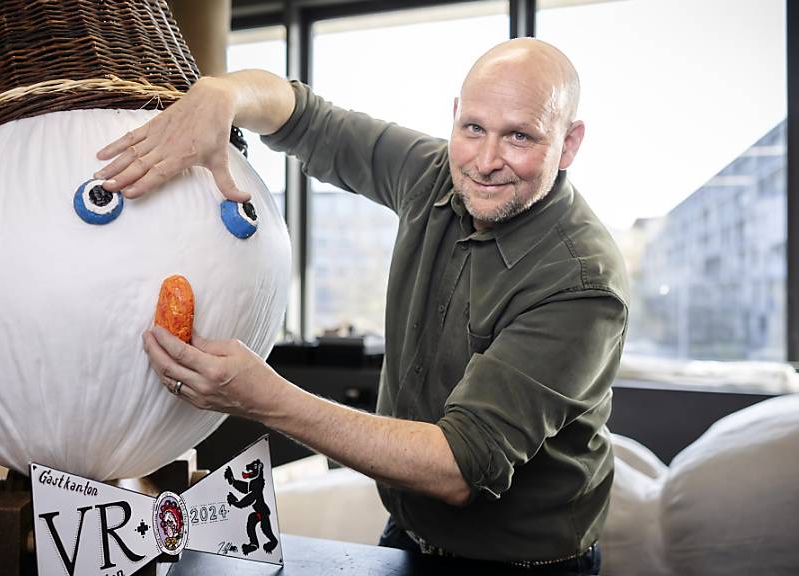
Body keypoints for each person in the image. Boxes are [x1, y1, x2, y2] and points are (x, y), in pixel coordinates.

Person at [95, 38, 627, 575]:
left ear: (569, 142)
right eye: (473, 128)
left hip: (525, 563)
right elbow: (309, 121)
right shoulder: (437, 173)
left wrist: (264, 398)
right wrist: (223, 94)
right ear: (455, 118)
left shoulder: (581, 281)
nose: (486, 162)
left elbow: (459, 465)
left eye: (519, 136)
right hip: (408, 533)